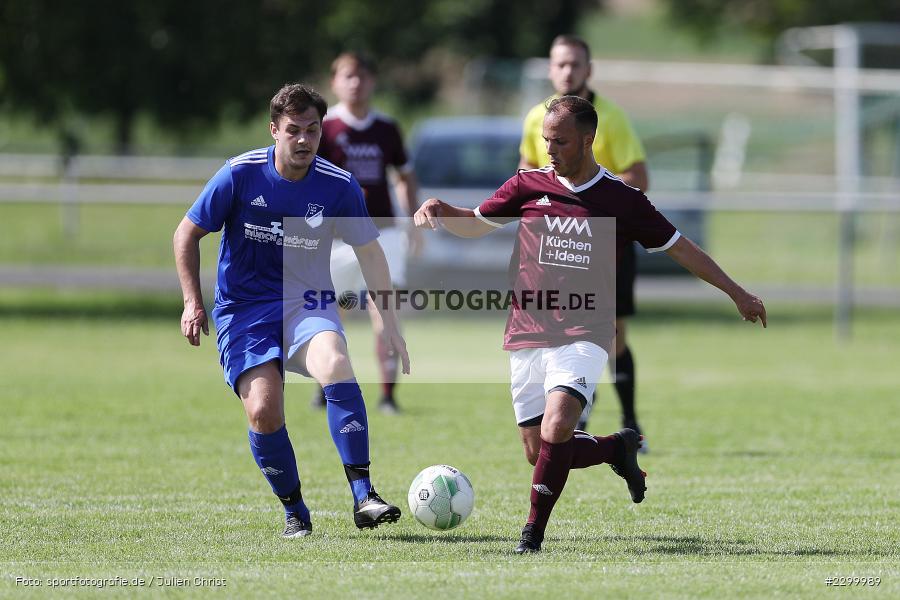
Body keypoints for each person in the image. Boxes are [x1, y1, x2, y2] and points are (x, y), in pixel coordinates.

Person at [414, 96, 766, 554]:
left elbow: (681, 247)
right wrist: (441, 209)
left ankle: (532, 535)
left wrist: (737, 292)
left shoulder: (622, 199)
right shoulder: (528, 184)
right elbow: (477, 224)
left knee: (558, 425)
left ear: (587, 139)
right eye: (546, 140)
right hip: (527, 329)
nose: (550, 150)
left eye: (560, 141)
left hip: (586, 329)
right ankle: (616, 448)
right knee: (538, 451)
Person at [173, 83, 410, 539]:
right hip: (244, 310)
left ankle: (364, 496)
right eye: (294, 130)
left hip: (307, 303)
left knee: (336, 364)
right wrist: (191, 302)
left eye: (313, 130)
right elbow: (186, 234)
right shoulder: (239, 175)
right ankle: (295, 511)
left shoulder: (338, 185)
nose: (304, 140)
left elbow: (371, 253)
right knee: (264, 410)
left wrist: (391, 322)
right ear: (274, 130)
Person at [520, 34, 649, 443]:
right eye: (560, 64)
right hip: (556, 249)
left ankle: (631, 423)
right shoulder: (535, 117)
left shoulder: (611, 117)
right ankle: (576, 420)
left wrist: (589, 199)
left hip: (606, 246)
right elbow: (526, 174)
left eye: (575, 64)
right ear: (550, 69)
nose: (567, 71)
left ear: (588, 70)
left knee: (613, 335)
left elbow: (638, 177)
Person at [313, 51, 421, 414]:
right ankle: (325, 384)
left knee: (385, 312)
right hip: (336, 238)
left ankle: (388, 397)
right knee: (331, 313)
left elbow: (404, 177)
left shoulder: (387, 128)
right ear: (335, 82)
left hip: (382, 233)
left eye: (362, 76)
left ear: (372, 81)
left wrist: (412, 221)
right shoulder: (324, 128)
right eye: (348, 76)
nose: (356, 83)